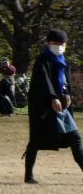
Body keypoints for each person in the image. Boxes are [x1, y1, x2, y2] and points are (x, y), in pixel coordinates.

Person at [23, 29, 83, 184]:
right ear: (48, 43)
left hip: (62, 108)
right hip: (44, 107)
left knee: (75, 138)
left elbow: (65, 83)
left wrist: (67, 96)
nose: (59, 46)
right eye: (56, 43)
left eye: (62, 44)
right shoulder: (42, 60)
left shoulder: (64, 61)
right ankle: (28, 175)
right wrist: (52, 97)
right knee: (35, 140)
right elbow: (43, 82)